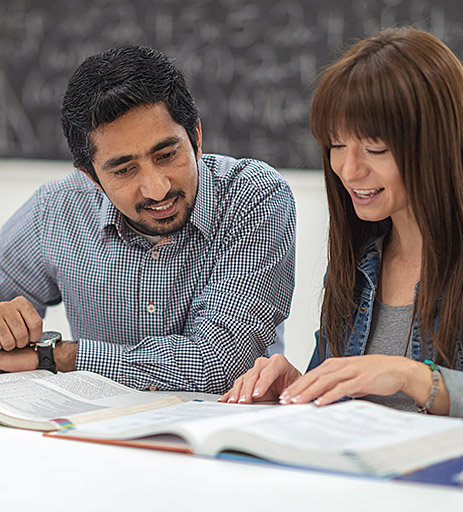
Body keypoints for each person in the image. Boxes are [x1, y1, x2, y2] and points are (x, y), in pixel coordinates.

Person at [220, 27, 463, 427]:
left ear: (437, 144)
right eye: (336, 146)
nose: (348, 170)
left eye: (375, 148)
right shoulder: (359, 254)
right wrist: (298, 389)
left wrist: (415, 378)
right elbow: (350, 402)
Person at [0, 45, 296, 393]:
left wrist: (61, 357)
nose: (157, 190)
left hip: (222, 435)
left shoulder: (252, 197)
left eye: (167, 154)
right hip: (94, 434)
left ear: (196, 138)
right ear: (91, 176)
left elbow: (221, 364)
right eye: (124, 170)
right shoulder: (57, 209)